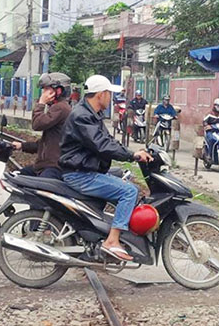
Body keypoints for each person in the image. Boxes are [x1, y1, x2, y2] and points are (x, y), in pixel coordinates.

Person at [60, 75, 152, 262]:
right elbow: (101, 145)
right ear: (101, 94)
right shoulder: (82, 116)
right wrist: (132, 155)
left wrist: (132, 151)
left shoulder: (91, 113)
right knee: (129, 192)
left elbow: (108, 141)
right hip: (80, 173)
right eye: (109, 93)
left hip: (86, 168)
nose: (111, 98)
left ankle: (102, 230)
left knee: (125, 178)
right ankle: (112, 240)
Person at [12, 73, 73, 179]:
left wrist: (41, 103)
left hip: (54, 167)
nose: (43, 93)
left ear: (58, 91)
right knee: (15, 177)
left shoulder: (61, 108)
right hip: (44, 166)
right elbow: (47, 143)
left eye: (46, 90)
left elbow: (37, 124)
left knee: (37, 190)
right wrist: (22, 146)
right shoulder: (58, 108)